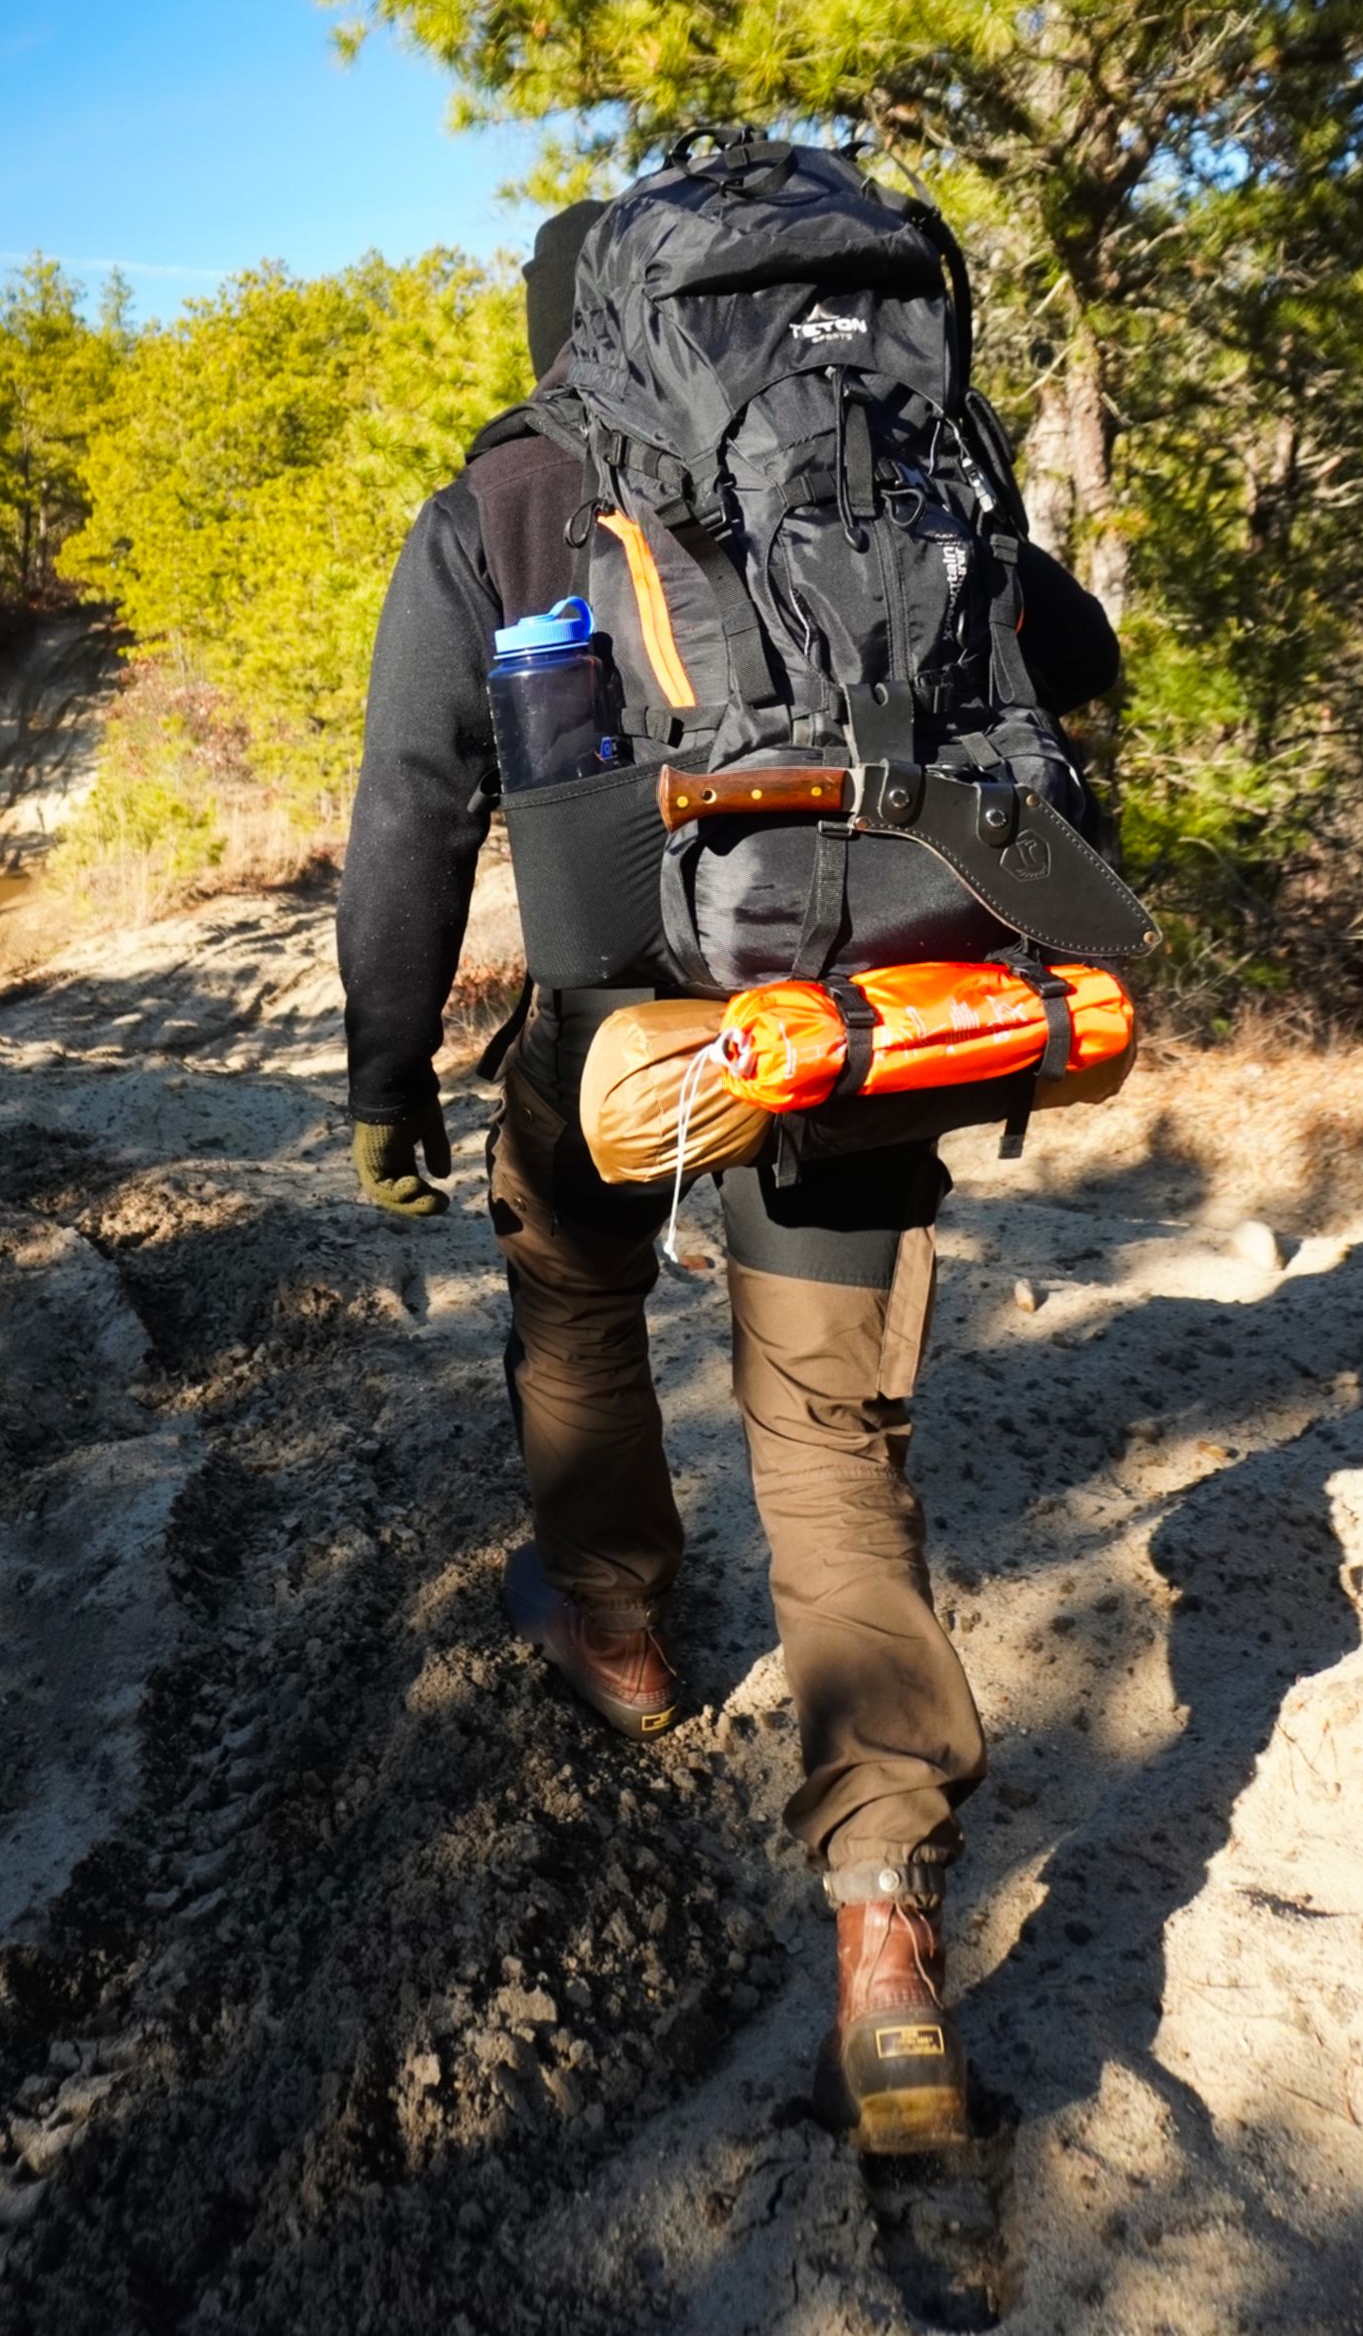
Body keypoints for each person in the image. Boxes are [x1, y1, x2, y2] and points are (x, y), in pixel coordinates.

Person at [337, 199, 1121, 2152]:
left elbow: (410, 816)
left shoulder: (500, 505)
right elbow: (1078, 651)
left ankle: (615, 1625)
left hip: (621, 1037)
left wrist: (385, 1080)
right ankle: (886, 1946)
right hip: (848, 1012)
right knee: (839, 1457)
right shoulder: (863, 457)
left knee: (572, 1287)